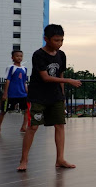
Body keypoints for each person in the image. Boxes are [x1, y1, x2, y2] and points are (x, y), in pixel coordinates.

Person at [17, 25, 82, 172]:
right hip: (38, 96)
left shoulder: (61, 55)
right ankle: (24, 159)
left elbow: (60, 75)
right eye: (56, 40)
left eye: (62, 40)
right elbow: (45, 77)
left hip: (56, 96)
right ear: (46, 39)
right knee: (33, 127)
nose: (60, 43)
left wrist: (62, 95)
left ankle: (60, 159)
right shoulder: (38, 55)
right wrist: (70, 81)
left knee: (60, 125)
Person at [0, 50, 29, 134]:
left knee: (27, 110)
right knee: (3, 111)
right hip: (11, 94)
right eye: (17, 56)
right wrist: (5, 93)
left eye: (21, 56)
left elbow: (24, 82)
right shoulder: (11, 68)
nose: (19, 58)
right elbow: (8, 80)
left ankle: (24, 127)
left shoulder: (24, 69)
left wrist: (27, 92)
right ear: (12, 58)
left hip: (22, 94)